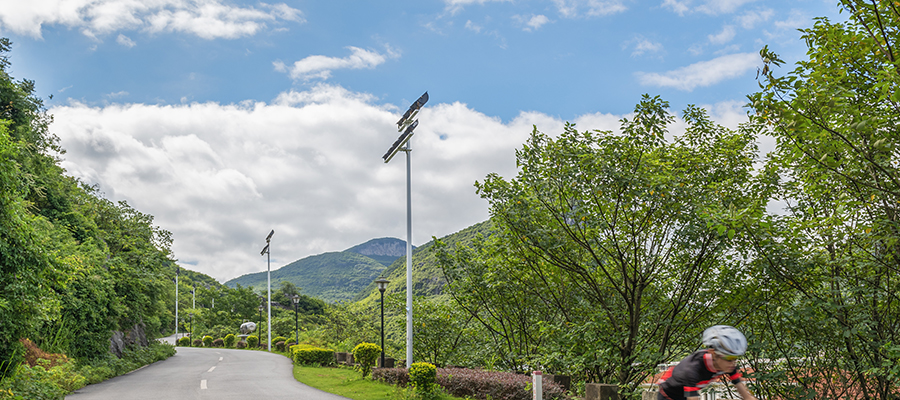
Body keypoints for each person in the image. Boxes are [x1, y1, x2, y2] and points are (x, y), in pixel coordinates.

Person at [657, 325, 757, 400]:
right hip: (668, 395)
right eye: (729, 358)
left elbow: (746, 396)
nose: (733, 363)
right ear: (713, 353)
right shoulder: (692, 370)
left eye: (735, 358)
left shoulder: (727, 364)